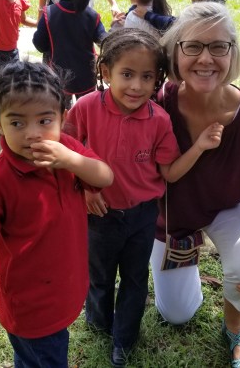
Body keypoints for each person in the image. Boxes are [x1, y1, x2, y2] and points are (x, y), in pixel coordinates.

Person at [65, 28, 223, 368]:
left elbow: (170, 173)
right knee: (99, 275)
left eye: (147, 77)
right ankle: (98, 322)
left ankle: (124, 339)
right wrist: (85, 188)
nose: (136, 86)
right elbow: (67, 151)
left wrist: (199, 146)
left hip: (141, 217)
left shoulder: (159, 121)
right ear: (106, 72)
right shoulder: (86, 108)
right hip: (99, 215)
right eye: (127, 74)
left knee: (135, 280)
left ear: (158, 79)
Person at [0, 61, 113, 366]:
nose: (33, 134)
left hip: (65, 290)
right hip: (31, 309)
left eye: (44, 120)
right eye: (17, 123)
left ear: (63, 118)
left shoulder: (67, 149)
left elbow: (105, 177)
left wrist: (70, 160)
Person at [150, 1, 240, 368]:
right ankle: (185, 275)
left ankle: (236, 328)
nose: (205, 58)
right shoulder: (154, 104)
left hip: (225, 209)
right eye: (193, 46)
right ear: (175, 52)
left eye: (218, 46)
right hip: (171, 219)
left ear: (233, 52)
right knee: (176, 314)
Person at [33, 0, 107, 106]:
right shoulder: (92, 16)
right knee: (85, 110)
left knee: (60, 111)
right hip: (86, 76)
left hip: (58, 76)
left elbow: (39, 44)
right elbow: (103, 41)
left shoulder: (49, 13)